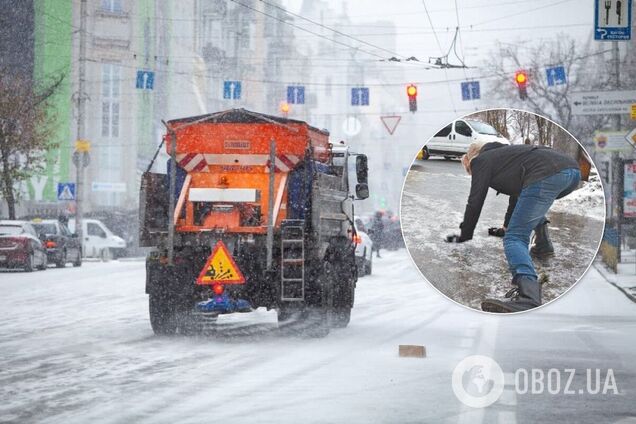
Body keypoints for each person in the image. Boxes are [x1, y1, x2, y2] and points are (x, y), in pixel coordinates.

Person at [445, 141, 581, 313]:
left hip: (547, 174)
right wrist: (507, 224)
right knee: (533, 203)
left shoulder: (481, 160)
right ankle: (543, 246)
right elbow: (518, 195)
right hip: (571, 172)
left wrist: (466, 232)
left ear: (472, 159)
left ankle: (529, 296)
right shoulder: (508, 155)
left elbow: (475, 201)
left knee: (515, 237)